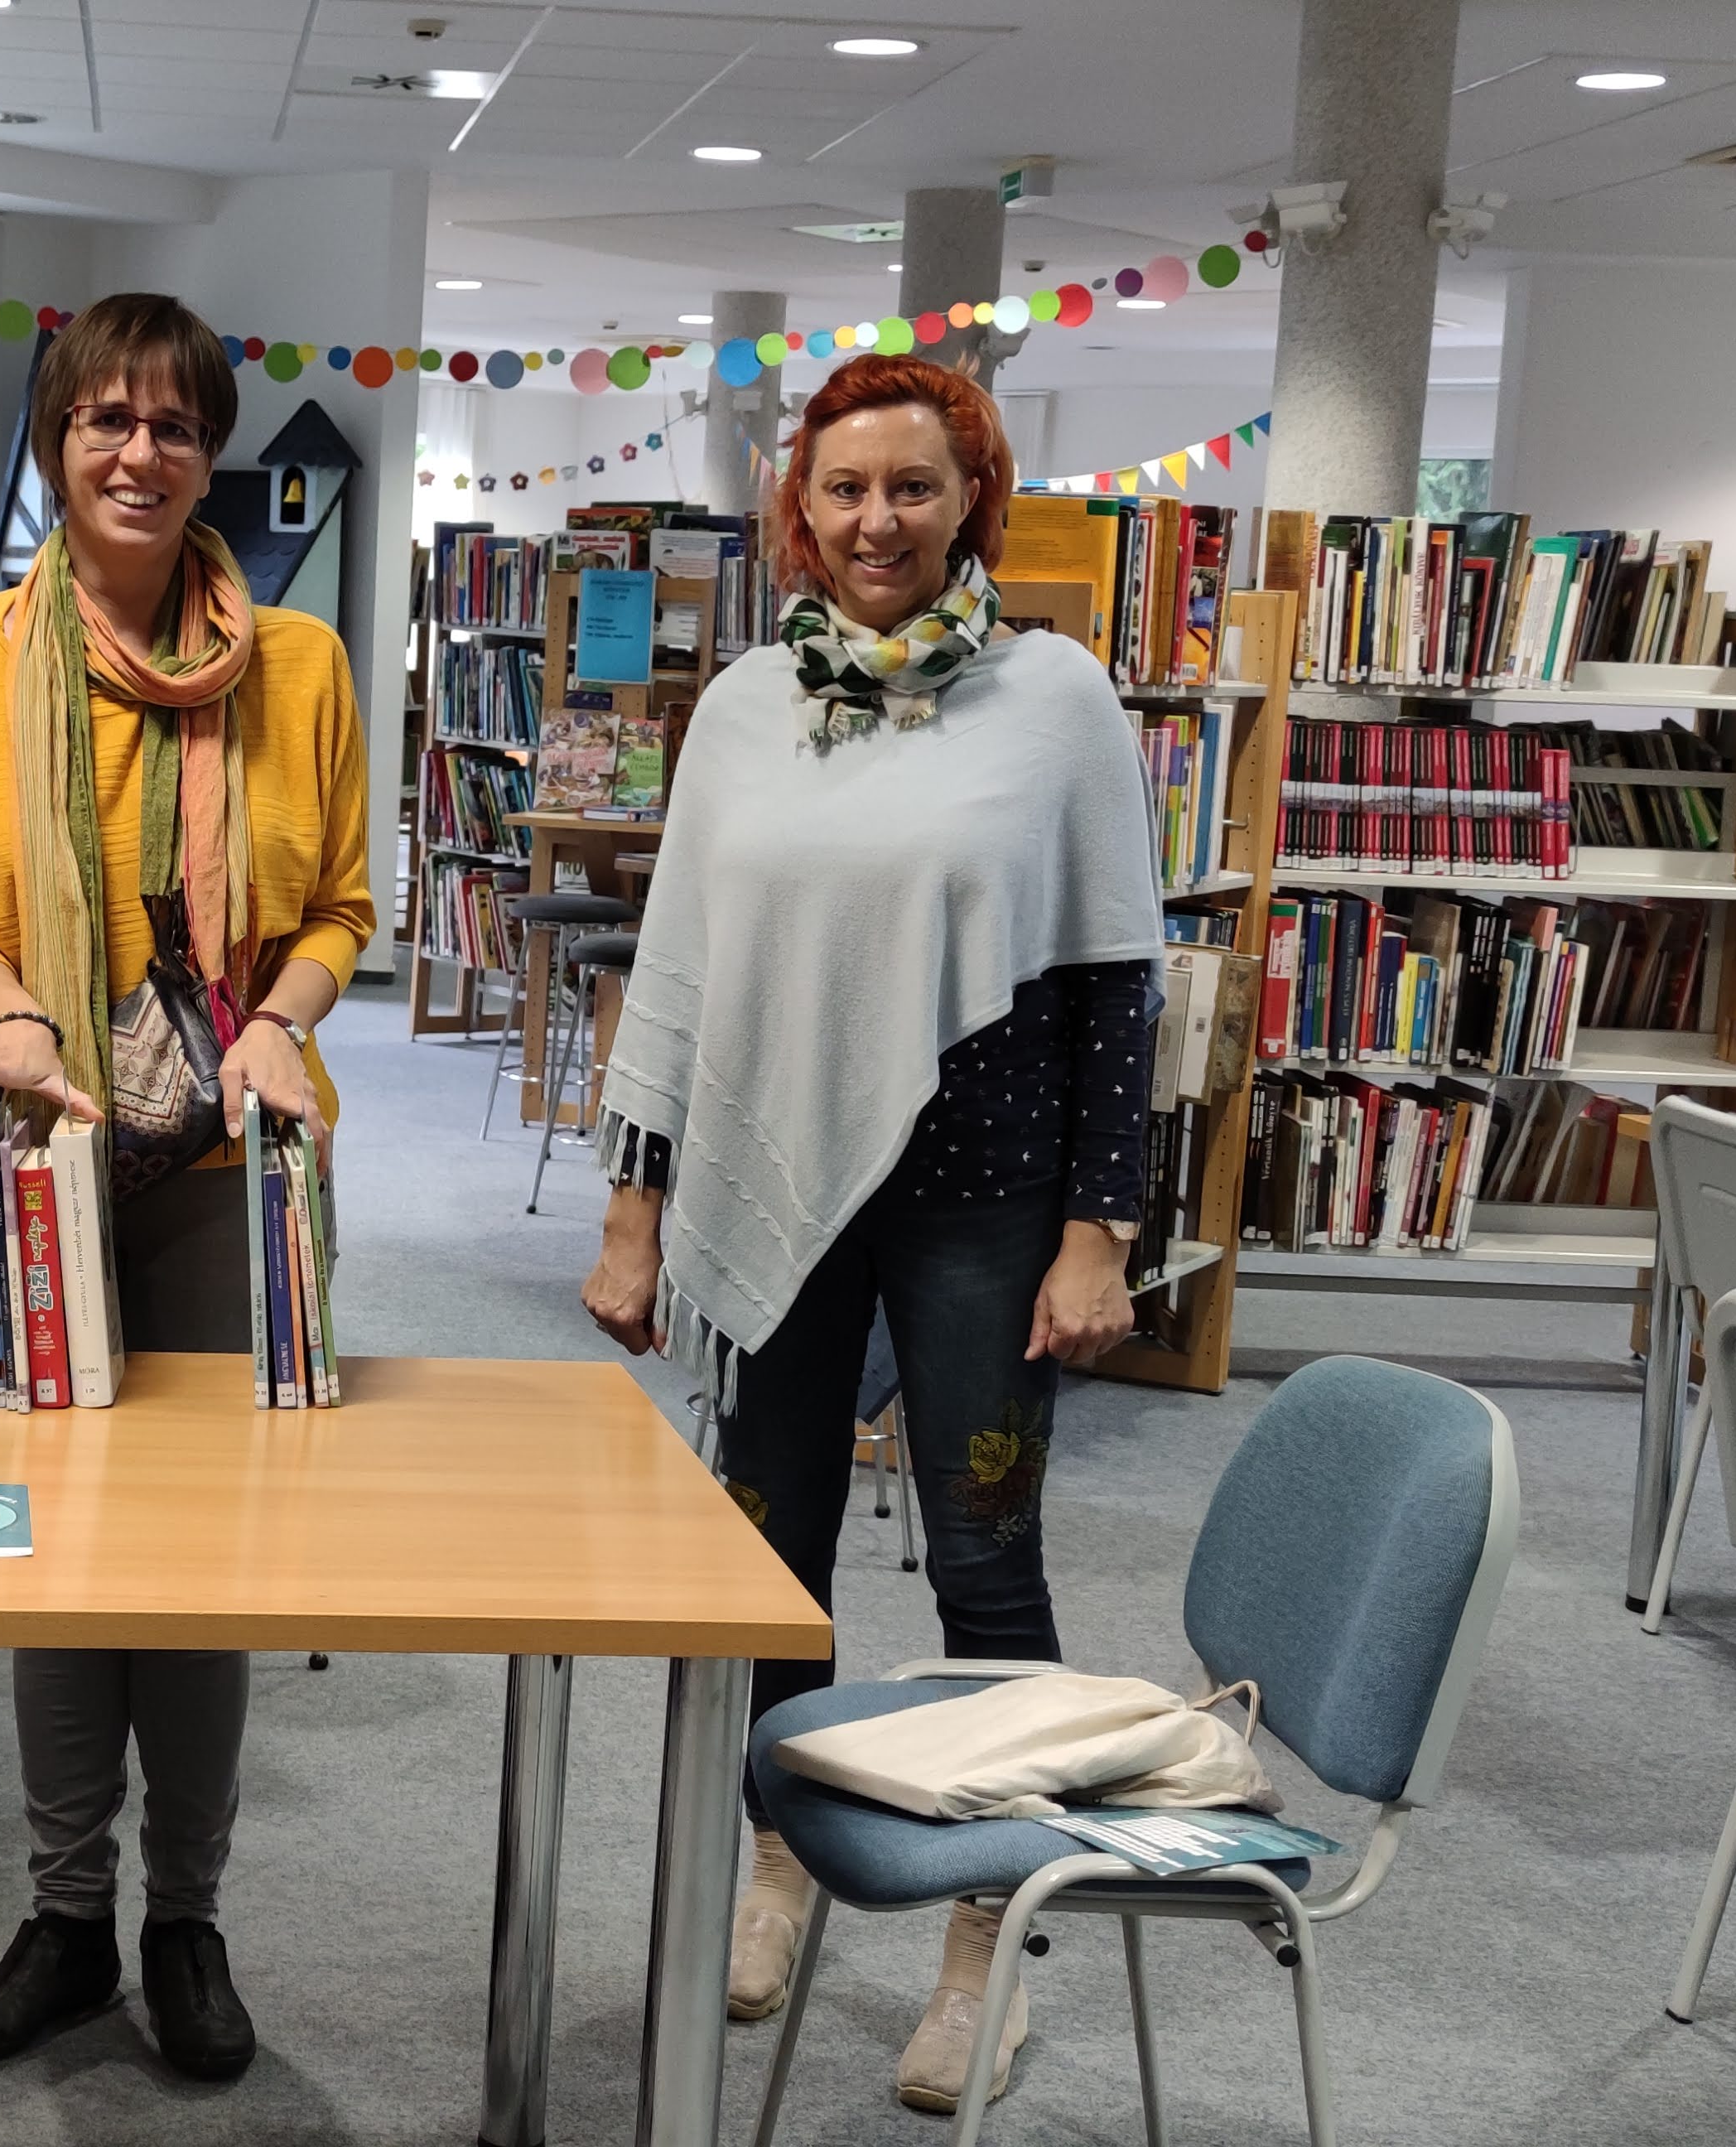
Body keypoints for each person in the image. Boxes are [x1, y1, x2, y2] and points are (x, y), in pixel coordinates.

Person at [576, 352, 1162, 2116]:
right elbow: (682, 969)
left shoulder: (1056, 699)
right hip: (780, 1187)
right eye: (844, 489)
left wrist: (1101, 1231)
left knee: (987, 1560)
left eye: (912, 486)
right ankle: (782, 1864)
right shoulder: (749, 704)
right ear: (801, 508)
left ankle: (991, 1939)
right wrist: (633, 1205)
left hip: (989, 1192)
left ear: (972, 496)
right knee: (772, 1550)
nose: (877, 520)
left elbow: (1116, 983)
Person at [0, 291, 374, 2082]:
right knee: (57, 1547)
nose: (140, 452)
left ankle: (186, 1922)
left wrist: (285, 1021)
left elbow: (341, 903)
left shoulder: (301, 667)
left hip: (229, 1161)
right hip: (27, 1154)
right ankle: (64, 1919)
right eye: (105, 418)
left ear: (211, 452)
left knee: (198, 1561)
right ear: (55, 442)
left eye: (174, 424)